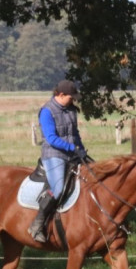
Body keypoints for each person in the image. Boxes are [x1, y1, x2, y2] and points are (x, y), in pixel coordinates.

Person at [28, 79, 90, 243]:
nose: (73, 100)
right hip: (53, 154)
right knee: (58, 188)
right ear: (61, 95)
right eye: (71, 97)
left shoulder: (71, 110)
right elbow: (51, 138)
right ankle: (37, 224)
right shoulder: (47, 111)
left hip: (72, 153)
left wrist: (81, 150)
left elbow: (74, 133)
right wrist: (72, 148)